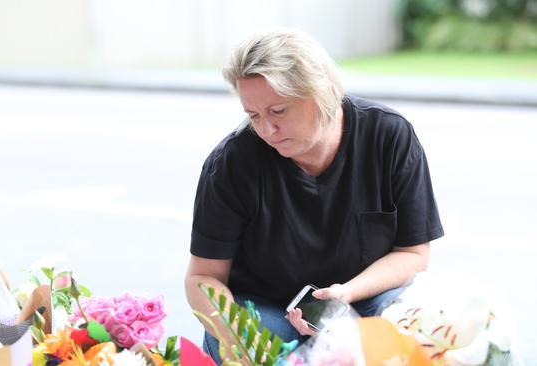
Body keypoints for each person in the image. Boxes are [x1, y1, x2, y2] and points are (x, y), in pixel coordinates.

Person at [184, 28, 444, 364]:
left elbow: (413, 254)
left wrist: (344, 296)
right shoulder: (232, 163)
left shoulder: (388, 137)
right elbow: (202, 276)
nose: (266, 130)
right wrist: (235, 331)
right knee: (261, 342)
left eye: (278, 111)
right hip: (266, 307)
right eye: (254, 115)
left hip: (364, 296)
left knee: (405, 323)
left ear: (320, 90)